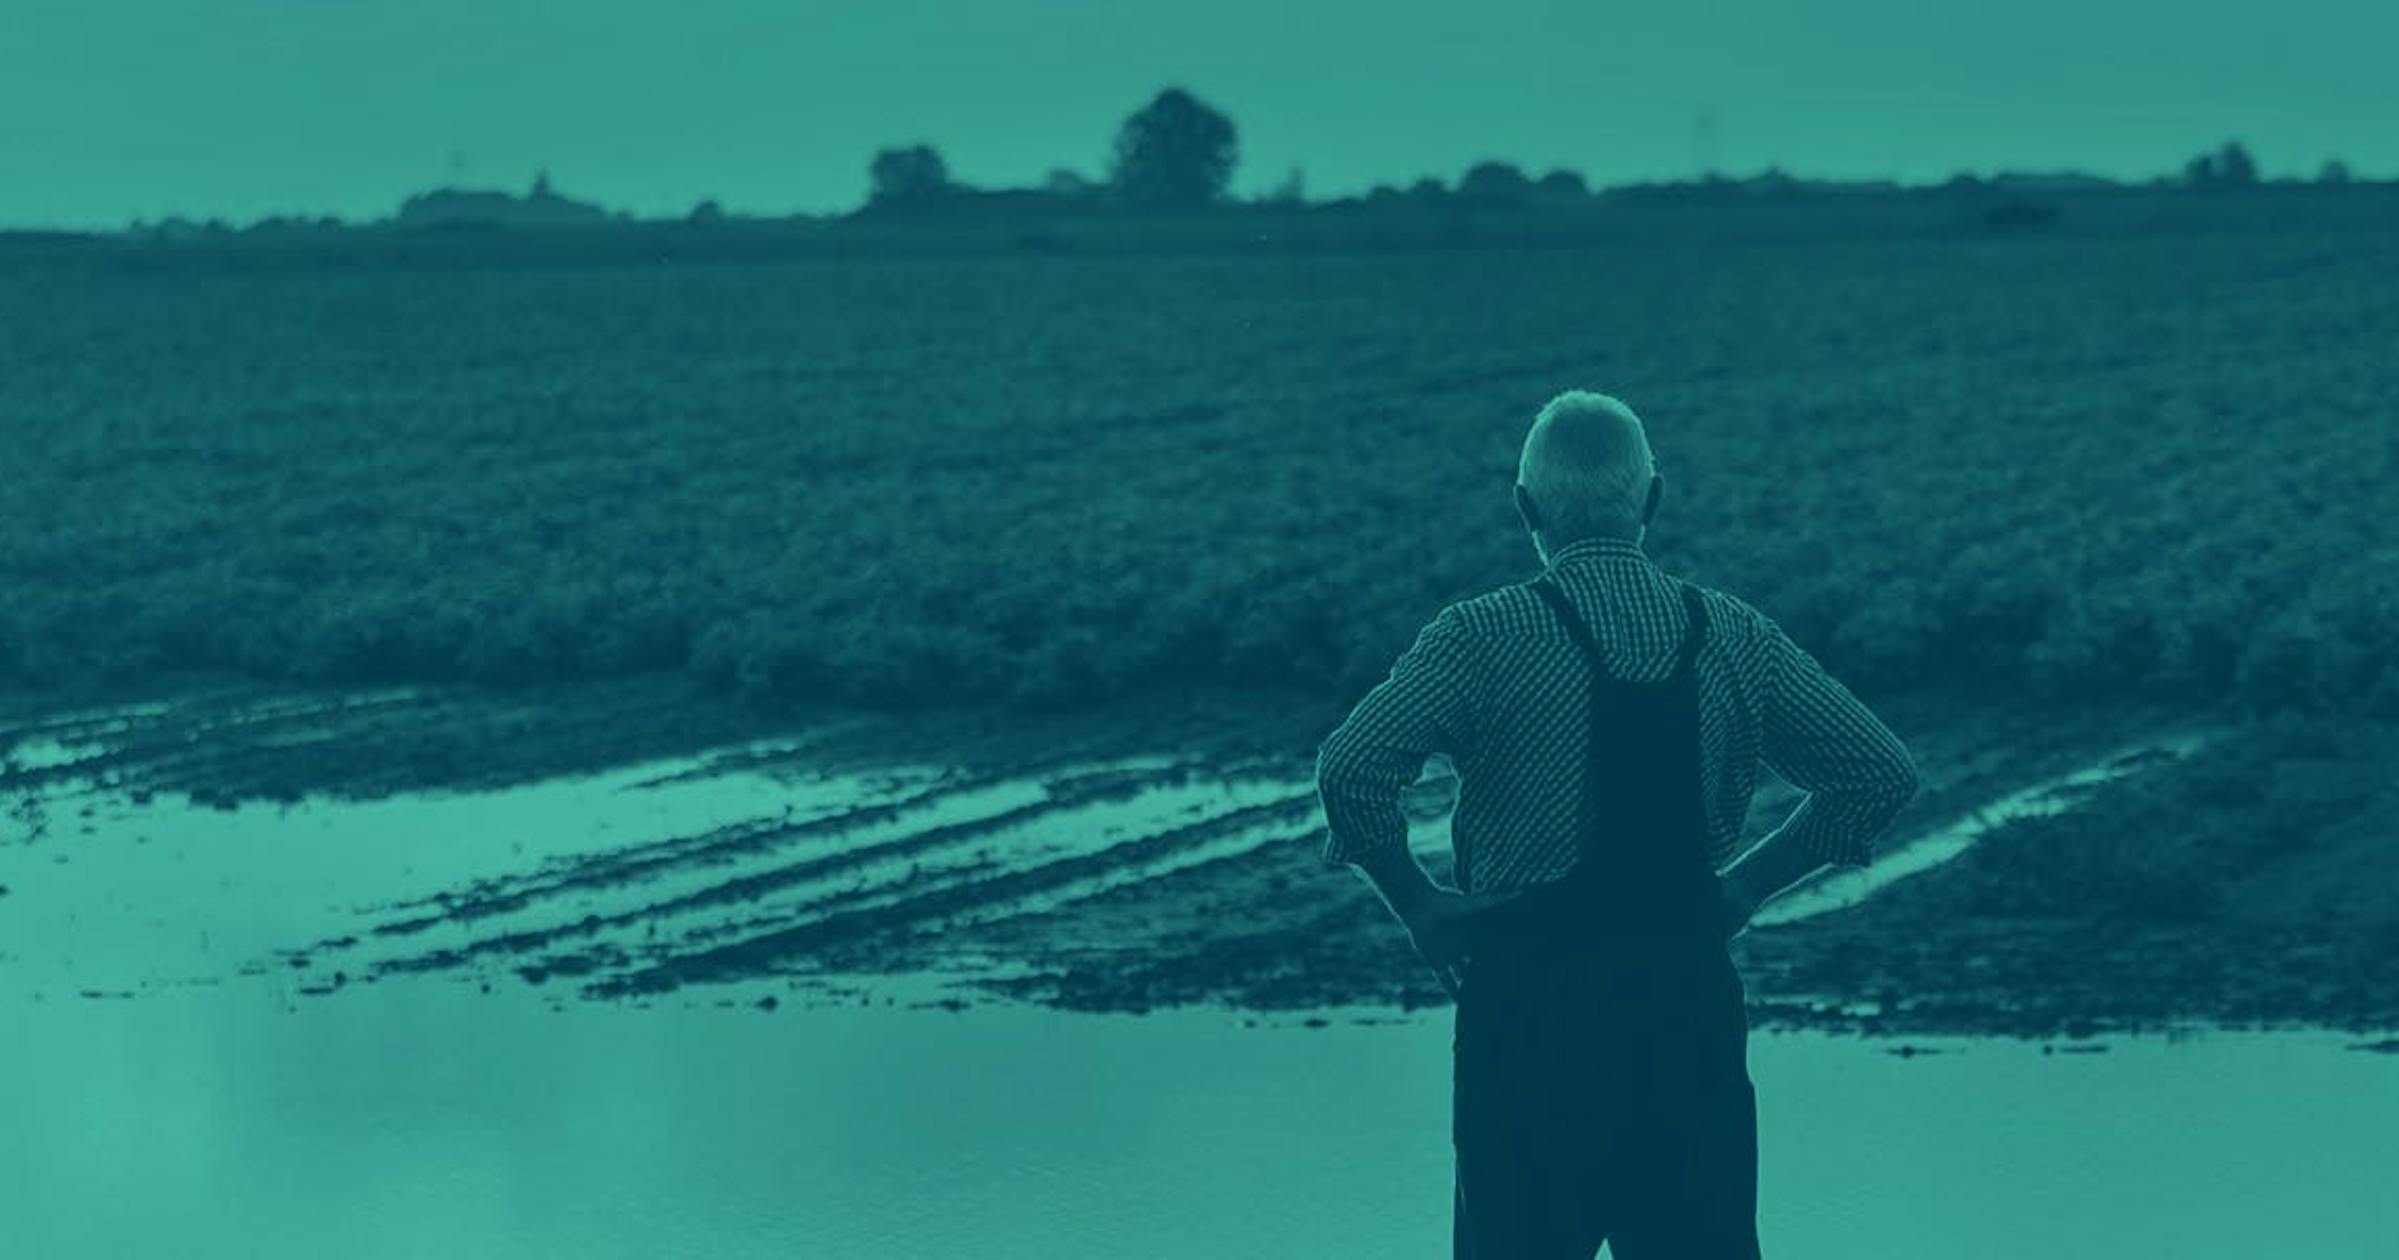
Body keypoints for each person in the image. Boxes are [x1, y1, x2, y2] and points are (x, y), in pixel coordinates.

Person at [1314, 390, 1920, 1258]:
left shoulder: (1479, 634)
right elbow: (1877, 772)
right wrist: (1744, 887)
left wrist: (1421, 907)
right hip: (1685, 1013)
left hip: (1526, 1015)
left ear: (1525, 508)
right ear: (1652, 500)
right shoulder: (1734, 634)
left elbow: (1350, 768)